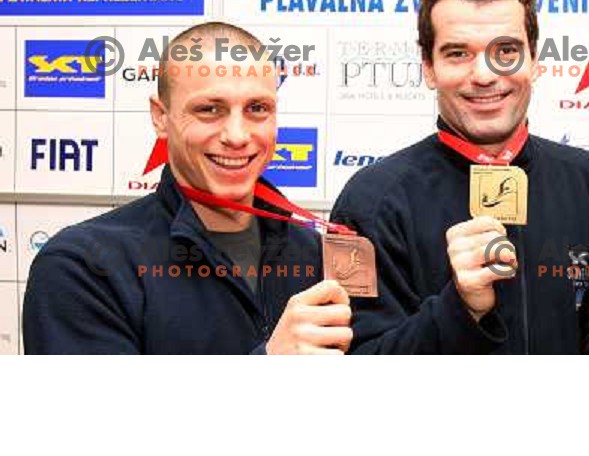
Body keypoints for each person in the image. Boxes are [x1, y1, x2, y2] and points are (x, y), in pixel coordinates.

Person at [23, 22, 353, 355]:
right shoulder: (83, 266)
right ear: (160, 117)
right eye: (209, 109)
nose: (237, 136)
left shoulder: (314, 253)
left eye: (257, 108)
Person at [330, 0, 589, 354]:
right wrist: (459, 309)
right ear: (428, 67)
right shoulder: (368, 202)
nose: (486, 74)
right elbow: (354, 360)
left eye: (506, 50)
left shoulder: (587, 179)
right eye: (458, 53)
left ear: (535, 60)